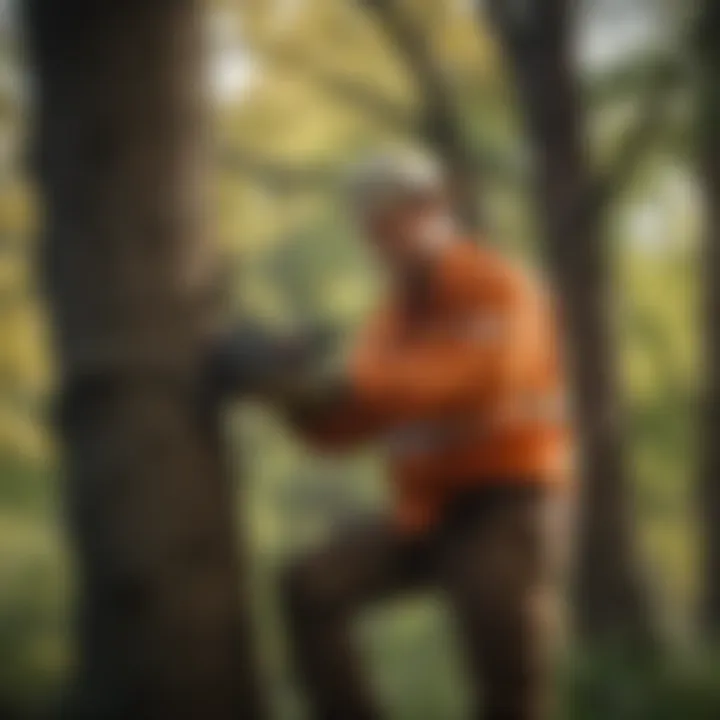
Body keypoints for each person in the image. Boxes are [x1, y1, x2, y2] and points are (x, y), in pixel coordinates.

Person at [223, 151, 573, 720]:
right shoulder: (388, 324)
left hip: (507, 508)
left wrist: (337, 386)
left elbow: (476, 380)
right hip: (426, 515)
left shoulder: (500, 286)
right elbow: (344, 427)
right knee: (310, 588)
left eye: (396, 217)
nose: (384, 236)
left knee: (507, 684)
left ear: (436, 209)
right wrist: (288, 396)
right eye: (372, 225)